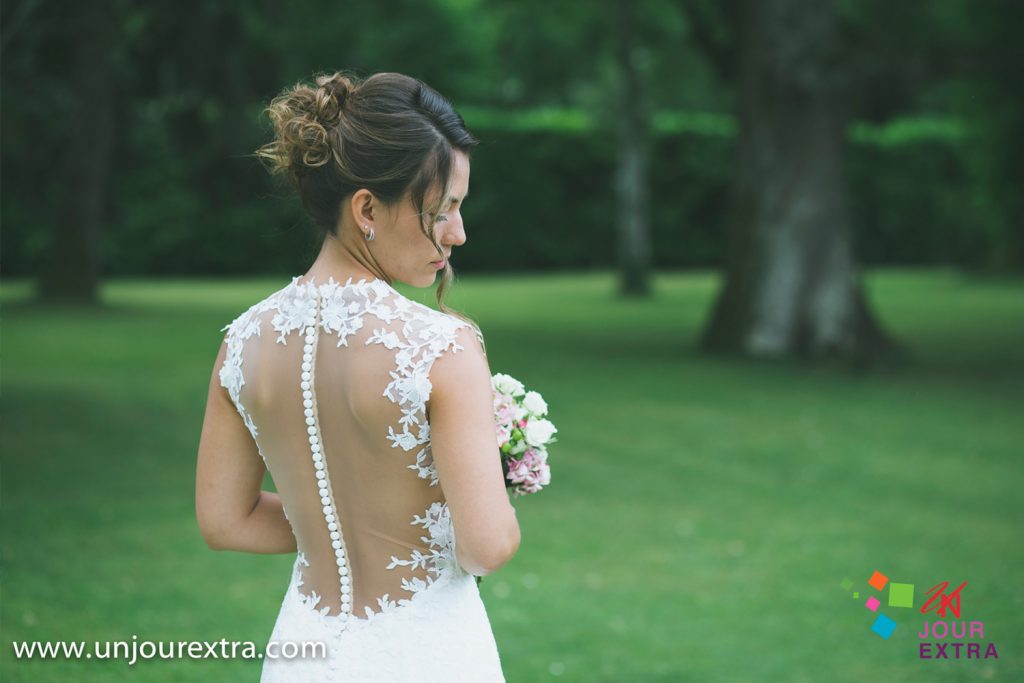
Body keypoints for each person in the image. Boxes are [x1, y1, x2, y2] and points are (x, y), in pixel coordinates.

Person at [195, 70, 520, 682]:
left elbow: (225, 521)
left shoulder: (242, 342)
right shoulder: (440, 348)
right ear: (367, 207)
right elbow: (487, 545)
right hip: (429, 655)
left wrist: (336, 527)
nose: (458, 233)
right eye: (442, 210)